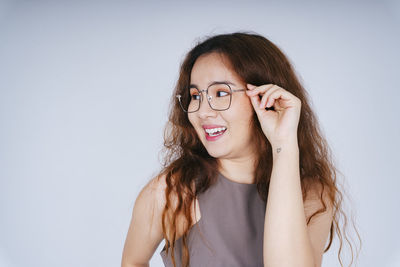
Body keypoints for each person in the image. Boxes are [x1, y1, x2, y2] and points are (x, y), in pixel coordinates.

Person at [121, 31, 360, 267]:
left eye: (221, 93)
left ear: (265, 97)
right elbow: (133, 261)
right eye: (195, 96)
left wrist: (284, 143)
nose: (202, 111)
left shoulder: (312, 193)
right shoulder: (171, 191)